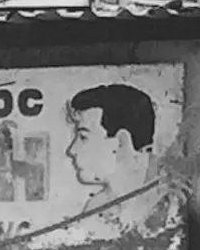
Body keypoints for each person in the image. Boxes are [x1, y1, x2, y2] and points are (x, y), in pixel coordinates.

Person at [65, 84, 164, 234]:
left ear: (121, 142)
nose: (72, 150)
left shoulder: (168, 201)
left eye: (83, 137)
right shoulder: (97, 206)